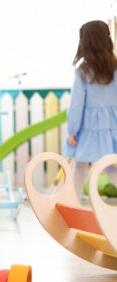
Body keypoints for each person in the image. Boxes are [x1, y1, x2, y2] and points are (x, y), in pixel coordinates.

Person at [63, 20, 117, 201]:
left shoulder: (83, 71)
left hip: (89, 128)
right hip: (112, 126)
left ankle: (74, 203)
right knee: (109, 166)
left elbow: (76, 105)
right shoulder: (115, 68)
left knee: (80, 166)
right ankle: (74, 202)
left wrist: (72, 130)